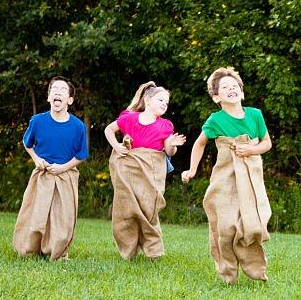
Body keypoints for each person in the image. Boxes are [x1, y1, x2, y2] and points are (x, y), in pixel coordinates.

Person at [182, 67, 272, 283]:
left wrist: (251, 149)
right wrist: (192, 170)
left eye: (234, 86)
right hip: (225, 180)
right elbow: (199, 144)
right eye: (225, 87)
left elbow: (266, 143)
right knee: (225, 226)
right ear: (216, 97)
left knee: (251, 225)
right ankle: (228, 272)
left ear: (241, 92)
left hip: (250, 179)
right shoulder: (215, 120)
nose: (231, 89)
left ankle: (255, 269)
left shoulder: (255, 115)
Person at [104, 81, 186, 260]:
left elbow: (168, 151)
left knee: (149, 208)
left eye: (167, 102)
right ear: (147, 100)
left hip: (151, 170)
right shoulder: (129, 118)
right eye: (161, 99)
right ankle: (129, 249)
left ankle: (153, 250)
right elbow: (109, 130)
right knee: (127, 208)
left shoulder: (166, 125)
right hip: (129, 168)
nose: (165, 103)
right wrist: (117, 146)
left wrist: (172, 145)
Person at [13, 77, 88, 260]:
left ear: (69, 100)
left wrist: (64, 167)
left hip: (66, 175)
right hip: (43, 174)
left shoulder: (78, 126)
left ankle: (59, 252)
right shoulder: (38, 121)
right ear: (48, 98)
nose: (57, 92)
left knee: (63, 217)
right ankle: (31, 250)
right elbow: (27, 143)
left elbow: (81, 155)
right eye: (54, 89)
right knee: (36, 215)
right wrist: (37, 159)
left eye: (62, 90)